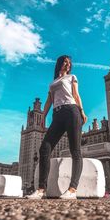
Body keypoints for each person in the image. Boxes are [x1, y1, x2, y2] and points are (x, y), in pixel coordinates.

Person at [26, 55, 87, 199]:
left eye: (69, 63)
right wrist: (43, 117)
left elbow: (76, 95)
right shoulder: (53, 82)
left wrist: (82, 111)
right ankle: (41, 190)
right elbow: (49, 101)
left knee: (75, 150)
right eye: (65, 62)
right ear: (59, 63)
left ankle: (72, 189)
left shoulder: (72, 77)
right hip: (57, 115)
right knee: (44, 148)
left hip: (72, 111)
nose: (67, 64)